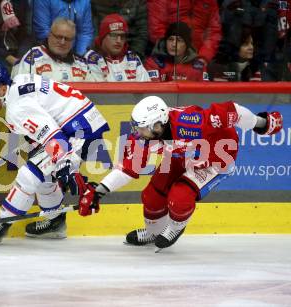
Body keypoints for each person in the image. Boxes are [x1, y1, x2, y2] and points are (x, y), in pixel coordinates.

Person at [78, 95, 283, 251]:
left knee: (180, 197)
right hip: (180, 156)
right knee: (152, 196)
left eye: (141, 128)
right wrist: (99, 191)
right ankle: (153, 232)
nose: (137, 133)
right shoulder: (144, 136)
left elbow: (233, 111)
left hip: (215, 159)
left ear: (158, 124)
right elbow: (128, 167)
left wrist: (262, 124)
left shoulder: (190, 122)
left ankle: (176, 226)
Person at [0, 62, 110, 243]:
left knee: (29, 175)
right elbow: (46, 118)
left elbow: (52, 135)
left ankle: (1, 224)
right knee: (44, 178)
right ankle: (55, 223)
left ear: (2, 88)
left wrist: (64, 163)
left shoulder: (17, 108)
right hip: (83, 123)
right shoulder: (18, 82)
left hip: (79, 131)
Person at [12, 18, 92, 82]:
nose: (62, 42)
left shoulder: (81, 64)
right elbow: (21, 91)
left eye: (67, 39)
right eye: (58, 37)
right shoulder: (34, 57)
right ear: (49, 35)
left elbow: (93, 95)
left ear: (73, 41)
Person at [147, 0, 222, 64]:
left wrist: (204, 57)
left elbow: (214, 32)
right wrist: (179, 53)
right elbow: (156, 28)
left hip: (200, 59)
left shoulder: (210, 1)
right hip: (170, 58)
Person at [85, 14, 150, 82]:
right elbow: (99, 91)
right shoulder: (92, 59)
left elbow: (146, 89)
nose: (119, 40)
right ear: (103, 37)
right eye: (114, 35)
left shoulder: (132, 58)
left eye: (122, 36)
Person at [144, 22, 209, 82]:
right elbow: (154, 91)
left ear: (187, 44)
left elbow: (205, 92)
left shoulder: (198, 66)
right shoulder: (154, 62)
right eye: (170, 39)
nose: (174, 44)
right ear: (165, 41)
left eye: (179, 40)